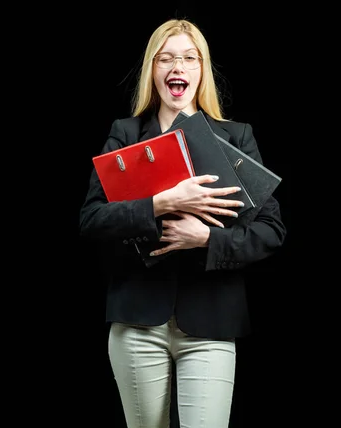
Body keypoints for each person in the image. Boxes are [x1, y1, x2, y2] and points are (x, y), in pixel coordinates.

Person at [79, 18, 286, 428]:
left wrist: (206, 238)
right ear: (152, 70)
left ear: (201, 71)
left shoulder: (237, 137)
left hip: (210, 324)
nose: (178, 66)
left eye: (190, 58)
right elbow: (92, 219)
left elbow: (271, 230)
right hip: (137, 323)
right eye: (166, 58)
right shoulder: (125, 134)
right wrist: (160, 203)